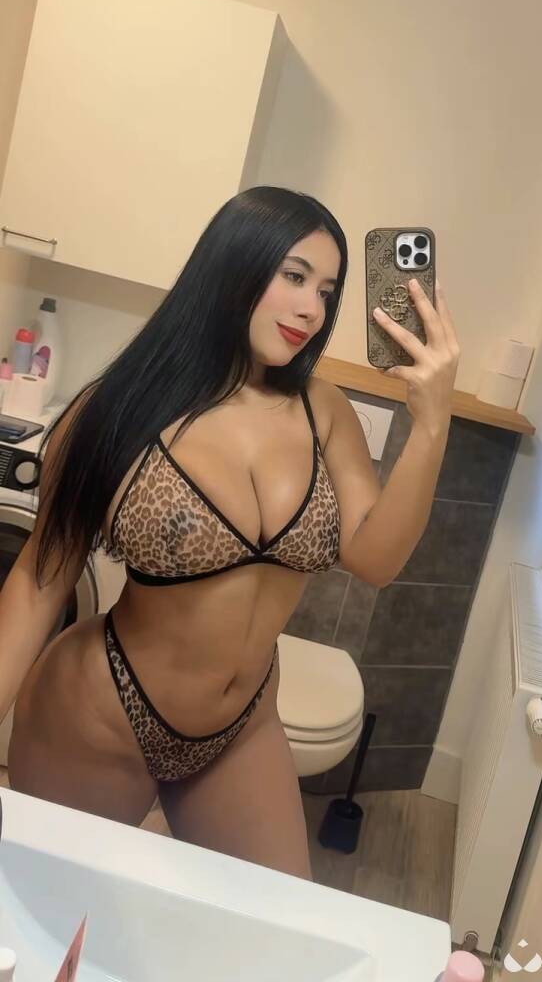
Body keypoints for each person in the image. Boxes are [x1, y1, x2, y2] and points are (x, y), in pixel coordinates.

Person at [0, 187, 459, 880]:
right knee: (59, 913)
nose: (312, 308)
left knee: (274, 922)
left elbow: (377, 560)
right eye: (294, 276)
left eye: (327, 291)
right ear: (233, 266)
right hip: (102, 710)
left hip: (241, 727)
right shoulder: (117, 409)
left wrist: (431, 424)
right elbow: (39, 585)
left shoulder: (324, 411)